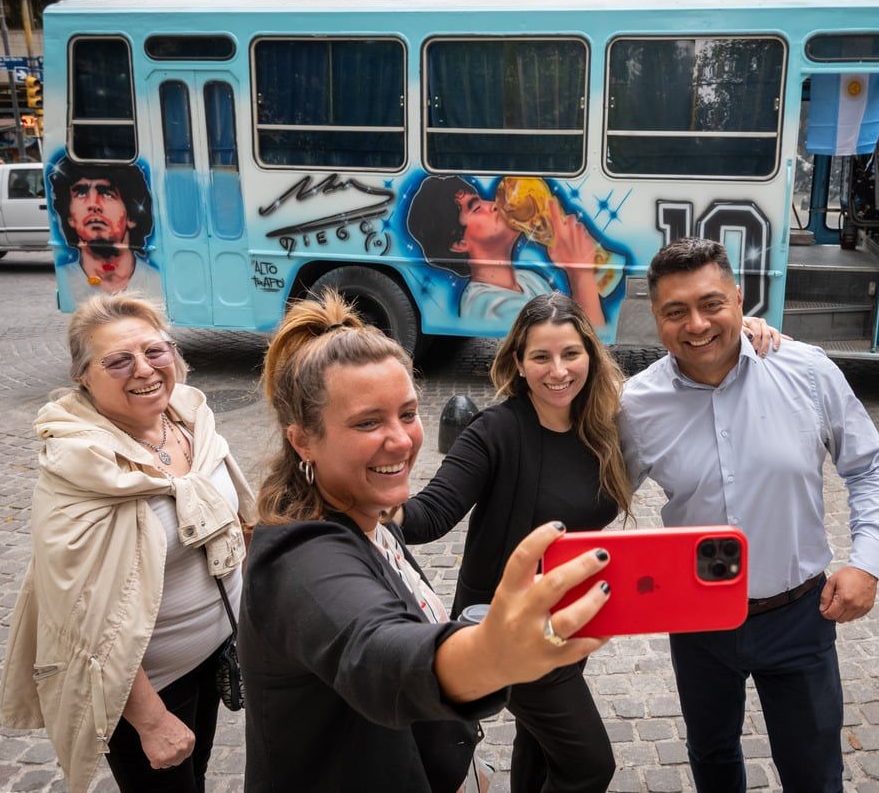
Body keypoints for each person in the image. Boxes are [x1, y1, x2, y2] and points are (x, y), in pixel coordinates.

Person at [238, 291, 615, 793]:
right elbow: (376, 650)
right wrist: (490, 654)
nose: (400, 439)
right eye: (368, 422)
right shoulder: (301, 559)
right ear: (302, 439)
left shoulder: (371, 519)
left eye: (408, 413)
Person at [618, 238, 879, 793]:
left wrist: (866, 563)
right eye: (676, 311)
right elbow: (597, 497)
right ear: (656, 317)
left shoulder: (806, 371)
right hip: (697, 617)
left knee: (814, 772)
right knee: (712, 758)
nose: (696, 324)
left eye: (711, 304)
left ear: (740, 300)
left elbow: (870, 468)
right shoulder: (637, 404)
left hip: (799, 614)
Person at [0, 293, 255, 793]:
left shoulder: (189, 420)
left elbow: (236, 519)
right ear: (83, 376)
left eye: (155, 351)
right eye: (118, 361)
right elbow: (80, 614)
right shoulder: (80, 463)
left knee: (197, 774)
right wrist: (150, 719)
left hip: (213, 653)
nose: (144, 369)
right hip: (145, 689)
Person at [401, 292, 630, 793]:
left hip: (571, 619)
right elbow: (430, 514)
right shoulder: (495, 431)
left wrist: (747, 335)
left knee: (542, 748)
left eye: (570, 354)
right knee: (590, 764)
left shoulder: (599, 428)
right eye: (541, 356)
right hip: (510, 628)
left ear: (590, 355)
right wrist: (367, 501)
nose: (558, 370)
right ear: (519, 364)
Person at [407, 175, 607, 326]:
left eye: (482, 200)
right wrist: (579, 273)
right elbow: (579, 346)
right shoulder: (487, 305)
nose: (494, 205)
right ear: (459, 243)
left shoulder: (529, 279)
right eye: (476, 208)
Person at [50, 156, 160, 297]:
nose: (93, 205)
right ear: (70, 217)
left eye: (107, 194)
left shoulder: (156, 280)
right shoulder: (66, 280)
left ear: (131, 216)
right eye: (81, 193)